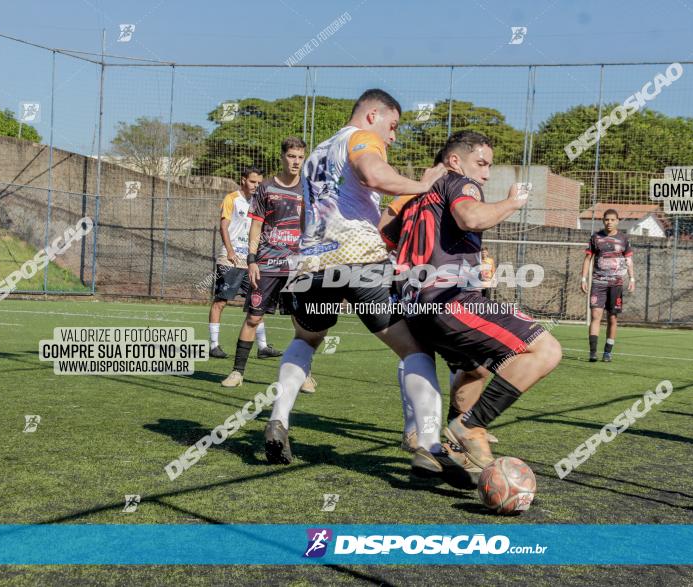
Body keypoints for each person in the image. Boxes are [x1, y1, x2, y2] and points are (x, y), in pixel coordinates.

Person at [262, 89, 471, 488]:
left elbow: (315, 209)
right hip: (357, 256)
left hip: (310, 261)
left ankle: (278, 419)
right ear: (373, 115)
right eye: (392, 127)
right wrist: (423, 183)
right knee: (415, 349)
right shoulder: (362, 139)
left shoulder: (317, 152)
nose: (392, 137)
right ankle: (429, 444)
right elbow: (373, 174)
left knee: (306, 339)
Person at [381, 130, 563, 478]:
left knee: (475, 368)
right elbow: (471, 218)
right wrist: (512, 202)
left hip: (412, 306)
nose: (486, 173)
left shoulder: (414, 194)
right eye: (481, 163)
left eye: (489, 166)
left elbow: (383, 235)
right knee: (546, 350)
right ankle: (470, 427)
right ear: (454, 160)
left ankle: (447, 447)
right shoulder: (459, 182)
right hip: (450, 300)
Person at [221, 138, 315, 394]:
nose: (296, 161)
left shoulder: (307, 189)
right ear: (282, 156)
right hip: (266, 264)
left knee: (301, 321)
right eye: (292, 156)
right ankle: (237, 372)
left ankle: (305, 375)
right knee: (253, 317)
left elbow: (311, 226)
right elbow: (256, 226)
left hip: (296, 266)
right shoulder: (266, 188)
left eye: (300, 157)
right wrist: (252, 260)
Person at [208, 167, 279, 360]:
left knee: (257, 303)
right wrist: (230, 250)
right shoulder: (232, 198)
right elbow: (223, 226)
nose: (256, 186)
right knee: (221, 301)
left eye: (259, 183)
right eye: (253, 182)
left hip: (251, 262)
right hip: (231, 259)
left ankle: (263, 347)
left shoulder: (260, 202)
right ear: (243, 181)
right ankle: (213, 345)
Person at [581, 209, 635, 362]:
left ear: (617, 221)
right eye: (607, 220)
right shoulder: (595, 238)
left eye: (612, 220)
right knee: (595, 316)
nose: (609, 222)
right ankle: (592, 353)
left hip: (616, 284)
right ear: (603, 221)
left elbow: (629, 260)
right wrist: (583, 279)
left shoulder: (624, 239)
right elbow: (587, 259)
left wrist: (632, 279)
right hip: (598, 283)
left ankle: (607, 352)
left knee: (612, 318)